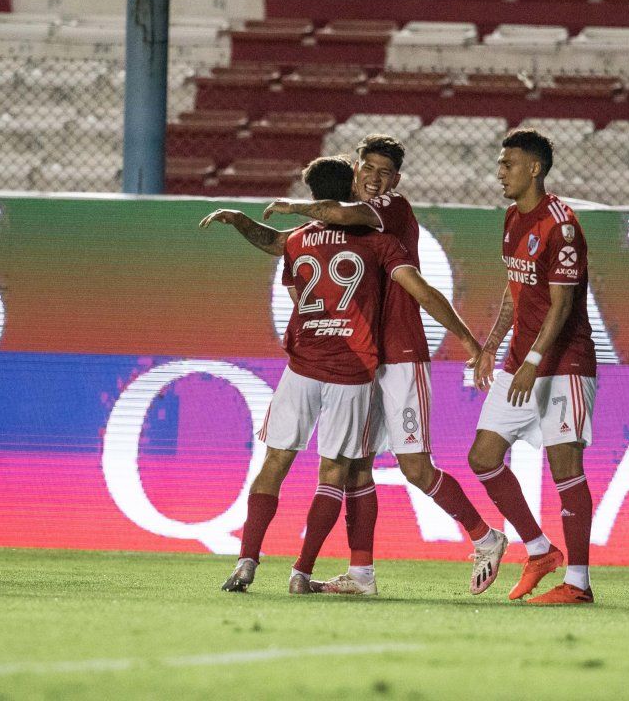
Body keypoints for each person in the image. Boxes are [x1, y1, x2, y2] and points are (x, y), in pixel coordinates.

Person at [204, 135, 503, 596]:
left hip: (400, 354)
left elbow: (340, 226)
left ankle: (486, 537)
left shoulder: (390, 211)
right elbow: (283, 241)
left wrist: (470, 342)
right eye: (368, 169)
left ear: (395, 180)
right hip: (363, 360)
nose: (375, 178)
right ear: (355, 170)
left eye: (384, 172)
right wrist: (245, 221)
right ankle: (361, 574)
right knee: (356, 467)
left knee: (415, 468)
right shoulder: (349, 230)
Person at [469, 128, 598, 605]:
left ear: (534, 169)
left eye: (508, 164)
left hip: (564, 363)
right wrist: (490, 346)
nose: (499, 172)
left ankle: (579, 585)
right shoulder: (511, 218)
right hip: (520, 360)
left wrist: (534, 363)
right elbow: (516, 290)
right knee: (482, 457)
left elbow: (562, 305)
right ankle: (540, 550)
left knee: (566, 469)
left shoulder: (561, 226)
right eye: (500, 164)